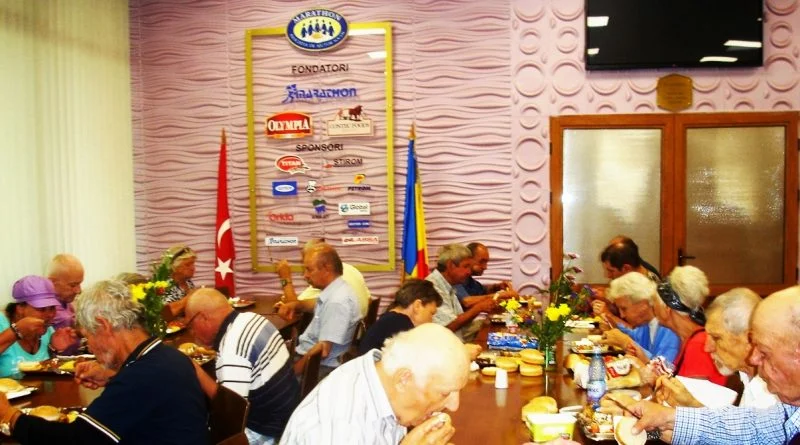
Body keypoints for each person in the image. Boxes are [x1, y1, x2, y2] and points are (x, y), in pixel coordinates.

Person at [0, 280, 208, 444]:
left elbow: (77, 439)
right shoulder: (165, 357)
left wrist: (11, 416)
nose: (90, 347)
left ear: (103, 325)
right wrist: (114, 376)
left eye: (87, 336)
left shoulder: (139, 377)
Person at [627, 285, 800, 445]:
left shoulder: (772, 391)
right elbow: (753, 428)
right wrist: (668, 418)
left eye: (763, 351)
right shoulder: (787, 407)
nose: (754, 358)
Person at [279, 323, 470, 445]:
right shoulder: (341, 426)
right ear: (404, 379)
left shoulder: (384, 379)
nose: (454, 405)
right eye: (445, 393)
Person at [185, 288, 300, 444]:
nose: (192, 333)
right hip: (290, 414)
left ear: (203, 318)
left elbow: (231, 412)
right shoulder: (252, 318)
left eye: (190, 326)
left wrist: (195, 369)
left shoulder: (232, 350)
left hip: (271, 432)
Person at [653, 287, 778, 409]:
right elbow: (739, 423)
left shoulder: (772, 394)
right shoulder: (749, 379)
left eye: (716, 338)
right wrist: (692, 404)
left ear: (749, 339)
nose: (707, 348)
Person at [278, 243, 360, 376]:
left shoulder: (336, 302)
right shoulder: (339, 290)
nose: (305, 276)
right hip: (317, 362)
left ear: (327, 269)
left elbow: (323, 351)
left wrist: (292, 374)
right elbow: (317, 305)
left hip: (320, 369)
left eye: (309, 270)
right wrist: (296, 305)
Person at [652, 265, 725, 385]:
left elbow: (692, 395)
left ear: (666, 308)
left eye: (654, 302)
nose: (653, 307)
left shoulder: (699, 345)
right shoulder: (689, 338)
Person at [594, 272, 680, 363]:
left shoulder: (670, 328)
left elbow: (662, 367)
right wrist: (613, 326)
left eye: (624, 309)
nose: (622, 315)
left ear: (642, 303)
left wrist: (627, 343)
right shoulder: (645, 324)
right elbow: (633, 336)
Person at [0, 276, 78, 377]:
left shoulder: (47, 330)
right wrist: (16, 331)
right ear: (20, 308)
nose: (50, 315)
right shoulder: (2, 324)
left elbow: (45, 373)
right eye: (41, 309)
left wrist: (53, 348)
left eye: (52, 308)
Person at [275, 238, 371, 318]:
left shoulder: (326, 280)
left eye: (309, 268)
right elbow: (369, 299)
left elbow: (293, 306)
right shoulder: (352, 269)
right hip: (359, 331)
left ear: (324, 265)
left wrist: (285, 278)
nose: (305, 275)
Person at [427, 244, 497, 342]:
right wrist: (478, 308)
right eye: (466, 266)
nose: (469, 272)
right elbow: (447, 328)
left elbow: (461, 324)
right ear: (451, 265)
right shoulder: (432, 286)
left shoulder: (449, 284)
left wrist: (480, 309)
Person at [358, 279, 442, 356]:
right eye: (431, 313)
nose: (431, 320)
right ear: (417, 306)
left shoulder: (392, 319)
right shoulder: (402, 326)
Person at [454, 242, 517, 307]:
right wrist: (500, 295)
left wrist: (496, 287)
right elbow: (467, 302)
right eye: (482, 261)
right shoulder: (456, 278)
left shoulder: (469, 280)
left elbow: (483, 292)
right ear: (468, 259)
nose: (485, 267)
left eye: (486, 262)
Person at [46, 254, 84, 329]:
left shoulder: (64, 300)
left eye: (79, 283)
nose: (79, 291)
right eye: (73, 285)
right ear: (52, 282)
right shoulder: (61, 318)